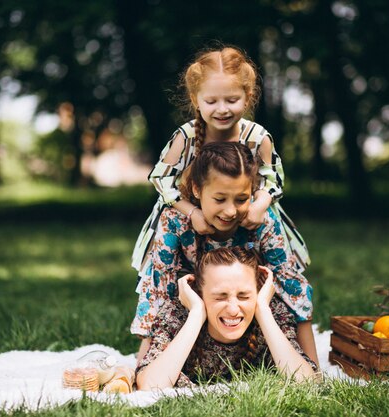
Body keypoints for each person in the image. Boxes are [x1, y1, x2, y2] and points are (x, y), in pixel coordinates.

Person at [132, 142, 319, 367]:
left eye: (241, 199)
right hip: (195, 310)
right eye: (219, 199)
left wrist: (313, 365)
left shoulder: (263, 220)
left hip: (246, 315)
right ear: (197, 190)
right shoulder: (175, 221)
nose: (230, 211)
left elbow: (291, 284)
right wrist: (142, 365)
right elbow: (159, 287)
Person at [131, 45, 309, 279]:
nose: (222, 109)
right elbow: (161, 178)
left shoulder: (257, 138)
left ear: (247, 98)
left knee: (268, 265)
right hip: (193, 217)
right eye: (212, 101)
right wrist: (193, 212)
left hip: (246, 216)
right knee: (176, 265)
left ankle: (276, 303)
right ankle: (171, 304)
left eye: (232, 100)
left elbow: (273, 179)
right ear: (196, 100)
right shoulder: (186, 137)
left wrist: (258, 206)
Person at [136, 247, 317, 390]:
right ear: (198, 293)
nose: (232, 309)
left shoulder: (271, 312)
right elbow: (152, 385)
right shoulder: (177, 313)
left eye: (244, 296)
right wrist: (197, 313)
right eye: (220, 297)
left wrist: (262, 309)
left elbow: (306, 382)